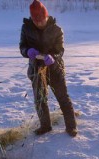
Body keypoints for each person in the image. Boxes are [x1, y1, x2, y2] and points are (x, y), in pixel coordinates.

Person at [20, 0, 78, 137]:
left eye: (41, 20)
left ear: (46, 16)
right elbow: (22, 47)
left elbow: (60, 50)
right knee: (40, 99)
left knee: (63, 97)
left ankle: (71, 127)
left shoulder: (57, 30)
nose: (39, 23)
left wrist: (53, 56)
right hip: (36, 69)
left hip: (54, 69)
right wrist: (27, 51)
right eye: (36, 21)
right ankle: (45, 126)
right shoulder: (26, 28)